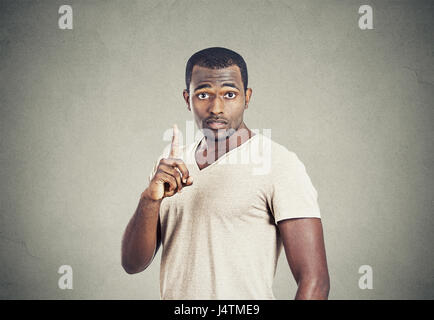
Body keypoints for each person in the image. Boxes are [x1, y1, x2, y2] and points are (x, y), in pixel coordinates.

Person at [121, 47, 330, 300]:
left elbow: (315, 282)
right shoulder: (171, 164)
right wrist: (150, 200)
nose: (216, 107)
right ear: (187, 99)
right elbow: (133, 264)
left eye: (229, 94)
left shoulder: (279, 163)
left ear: (247, 97)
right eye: (204, 94)